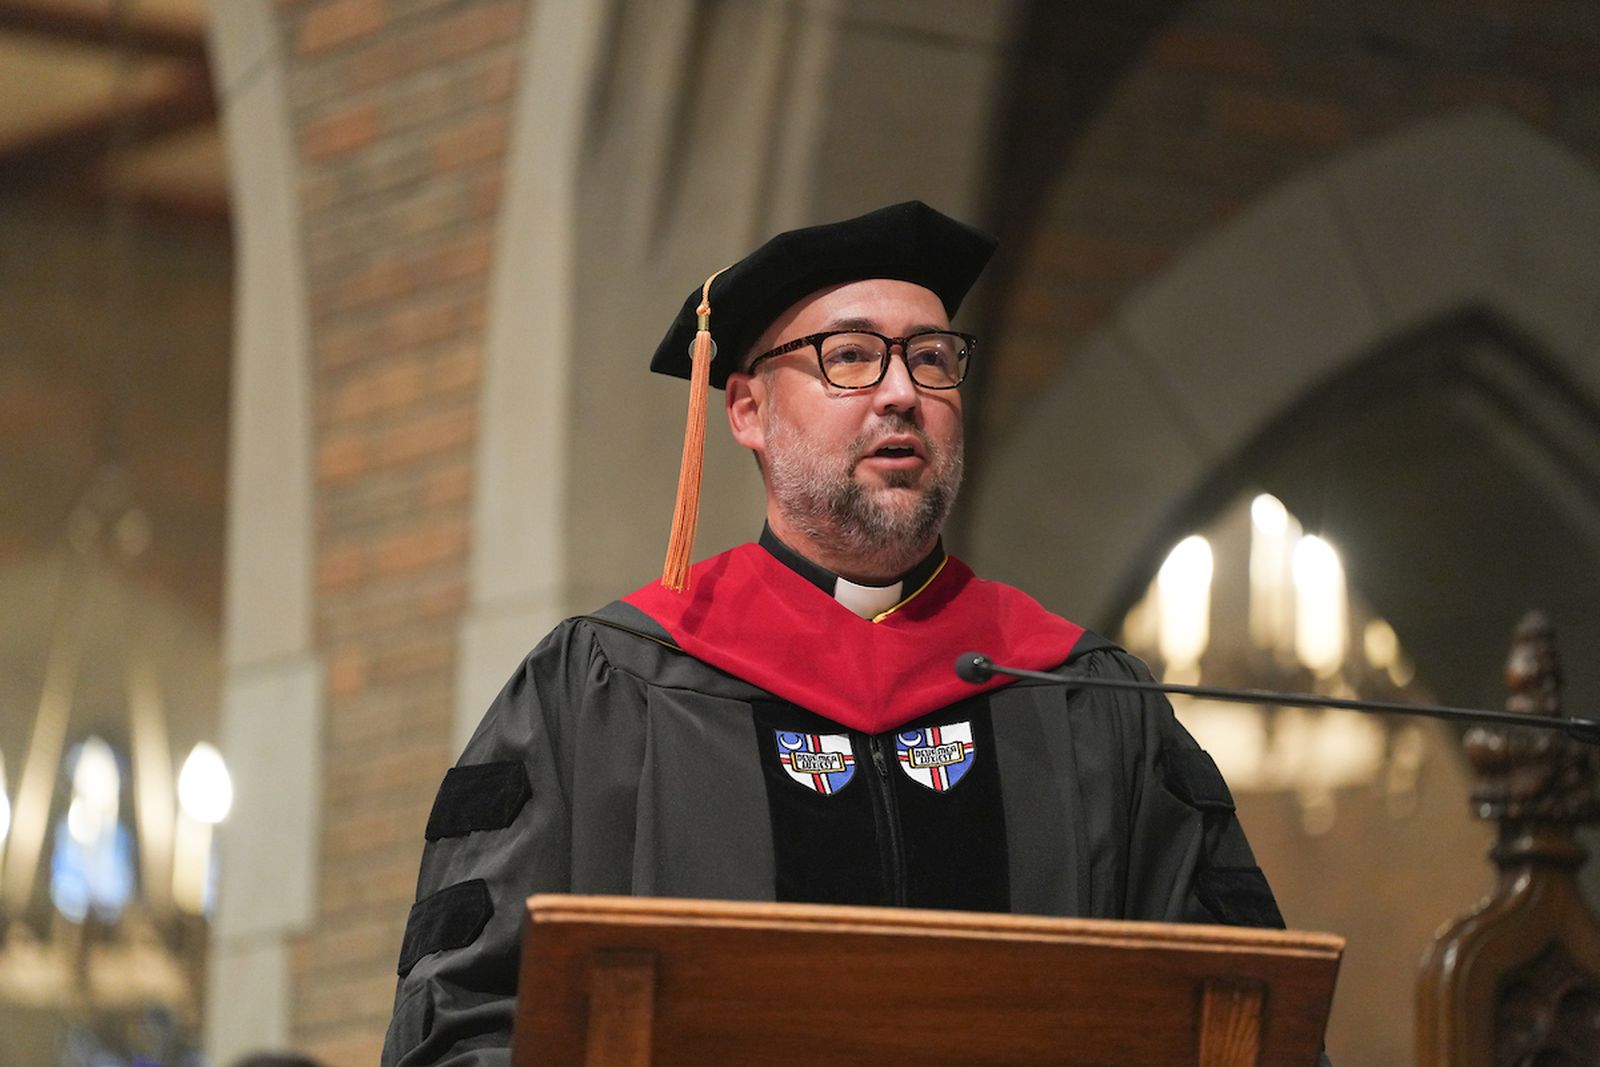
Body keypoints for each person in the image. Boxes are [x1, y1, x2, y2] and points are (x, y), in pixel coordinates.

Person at [381, 201, 1286, 1065]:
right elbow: (467, 1013)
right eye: (850, 356)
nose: (902, 391)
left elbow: (1235, 1005)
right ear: (745, 410)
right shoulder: (609, 687)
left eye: (932, 358)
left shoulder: (1081, 695)